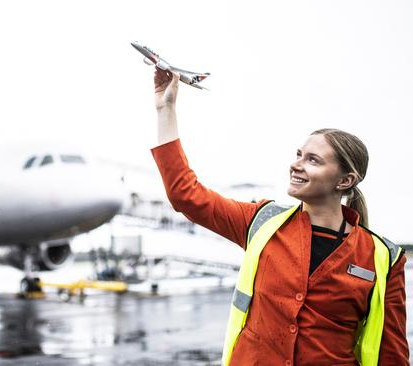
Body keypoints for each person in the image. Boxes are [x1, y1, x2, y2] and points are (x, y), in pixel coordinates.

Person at [149, 68, 409, 365]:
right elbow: (186, 195)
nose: (296, 165)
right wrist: (164, 108)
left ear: (345, 181)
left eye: (312, 160)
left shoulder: (384, 258)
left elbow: (393, 354)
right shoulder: (261, 223)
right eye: (298, 155)